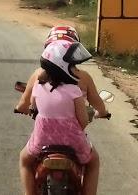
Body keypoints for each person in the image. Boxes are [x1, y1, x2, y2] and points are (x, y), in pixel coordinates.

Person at [16, 40, 100, 195]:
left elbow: (32, 108)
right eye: (73, 67)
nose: (76, 71)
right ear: (63, 67)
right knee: (93, 162)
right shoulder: (74, 91)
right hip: (73, 142)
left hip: (42, 141)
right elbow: (82, 120)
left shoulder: (37, 86)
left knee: (24, 161)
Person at [22, 25, 110, 120]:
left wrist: (20, 108)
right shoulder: (84, 77)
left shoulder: (38, 74)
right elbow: (95, 100)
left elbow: (25, 101)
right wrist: (102, 112)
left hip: (44, 129)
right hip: (73, 129)